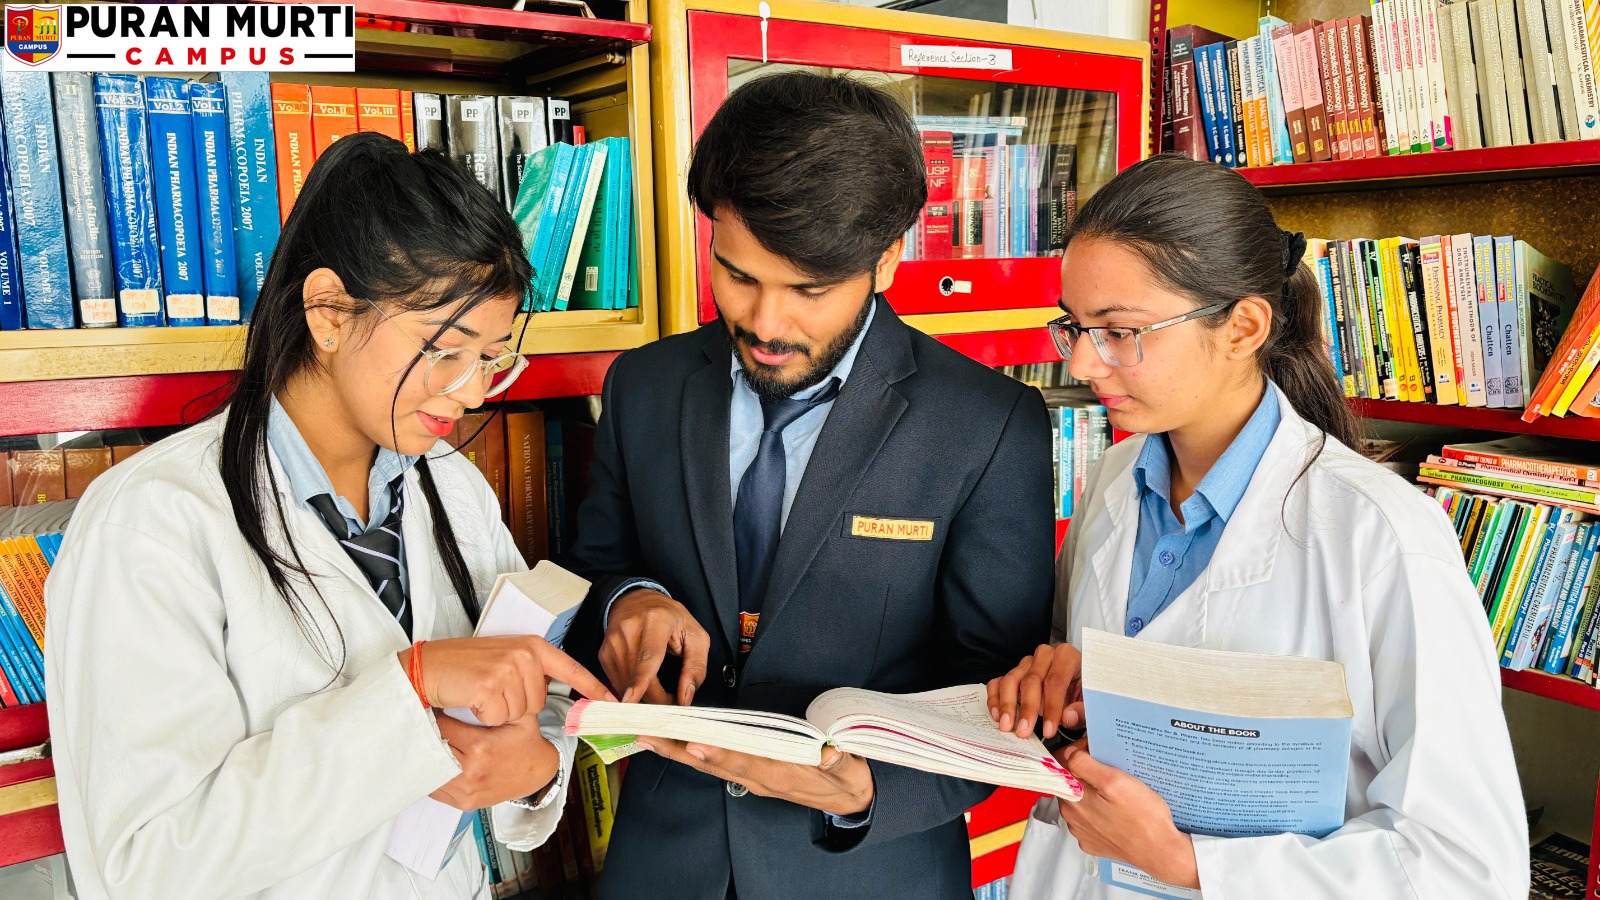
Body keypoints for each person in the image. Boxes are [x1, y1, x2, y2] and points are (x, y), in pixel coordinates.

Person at [43, 133, 611, 900]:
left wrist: (536, 772)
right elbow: (149, 866)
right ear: (330, 311)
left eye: (491, 357)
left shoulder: (454, 489)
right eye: (445, 349)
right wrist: (410, 687)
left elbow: (520, 707)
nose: (473, 392)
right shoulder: (151, 524)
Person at [560, 71, 1054, 898]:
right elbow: (590, 573)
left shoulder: (987, 424)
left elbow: (999, 696)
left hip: (868, 869)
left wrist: (868, 793)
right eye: (739, 274)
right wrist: (628, 601)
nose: (765, 323)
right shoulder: (642, 386)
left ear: (888, 256)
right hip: (660, 864)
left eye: (810, 290)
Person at [988, 154, 1530, 899]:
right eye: (1076, 327)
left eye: (1120, 331)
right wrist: (1066, 695)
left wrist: (1191, 866)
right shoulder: (1116, 482)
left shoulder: (1382, 536)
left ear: (1243, 326)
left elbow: (1467, 867)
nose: (1084, 361)